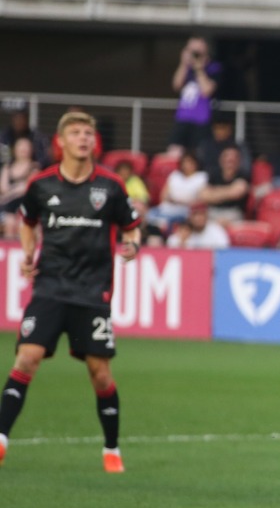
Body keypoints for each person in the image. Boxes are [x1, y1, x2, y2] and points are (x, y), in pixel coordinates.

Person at [0, 112, 141, 473]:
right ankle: (1, 439)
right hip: (49, 287)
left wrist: (132, 245)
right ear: (61, 142)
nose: (84, 138)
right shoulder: (42, 184)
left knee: (101, 374)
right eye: (76, 132)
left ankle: (112, 449)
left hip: (92, 292)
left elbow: (131, 228)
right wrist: (28, 252)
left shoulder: (110, 186)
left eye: (88, 132)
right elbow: (27, 222)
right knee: (27, 358)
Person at [168, 37, 220, 156]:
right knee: (174, 151)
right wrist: (183, 64)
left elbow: (207, 90)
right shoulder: (186, 69)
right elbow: (176, 85)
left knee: (198, 153)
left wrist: (199, 69)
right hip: (182, 118)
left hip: (201, 120)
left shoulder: (214, 68)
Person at [201, 146, 249, 222]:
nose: (230, 160)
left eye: (233, 158)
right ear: (221, 160)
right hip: (213, 212)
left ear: (239, 161)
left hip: (233, 213)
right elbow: (204, 196)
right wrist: (228, 190)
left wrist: (214, 192)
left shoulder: (243, 175)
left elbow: (236, 193)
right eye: (227, 157)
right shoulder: (214, 174)